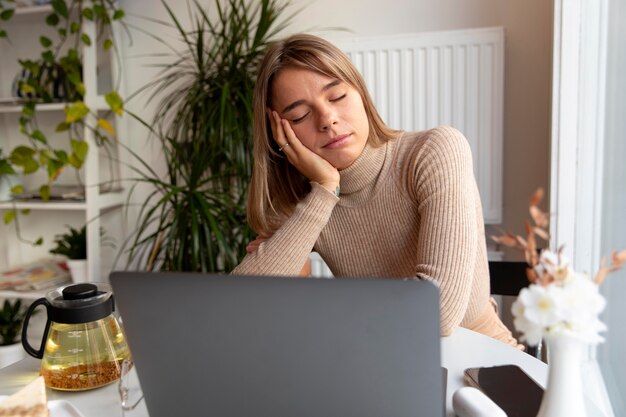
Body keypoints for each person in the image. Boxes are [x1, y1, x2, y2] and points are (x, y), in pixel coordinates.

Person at [232, 33, 520, 348]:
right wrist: (325, 190)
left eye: (337, 95)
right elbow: (240, 304)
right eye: (300, 115)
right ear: (280, 134)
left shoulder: (433, 151)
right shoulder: (307, 200)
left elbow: (437, 312)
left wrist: (331, 310)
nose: (328, 119)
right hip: (381, 363)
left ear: (360, 93)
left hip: (480, 359)